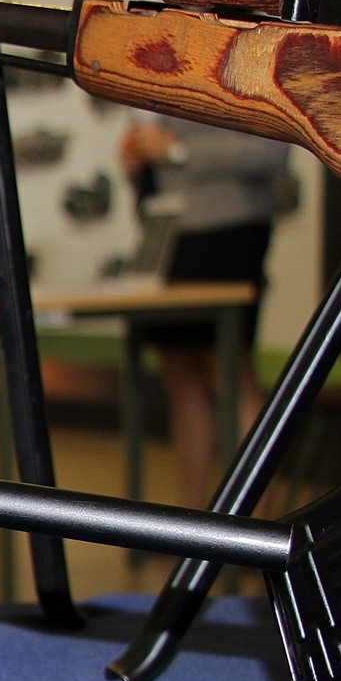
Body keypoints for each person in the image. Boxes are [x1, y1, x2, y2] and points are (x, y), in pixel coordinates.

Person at [119, 116, 290, 510]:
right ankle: (193, 515)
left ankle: (256, 520)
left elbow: (272, 151)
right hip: (171, 230)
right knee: (180, 374)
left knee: (230, 370)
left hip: (230, 230)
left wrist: (178, 150)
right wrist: (140, 163)